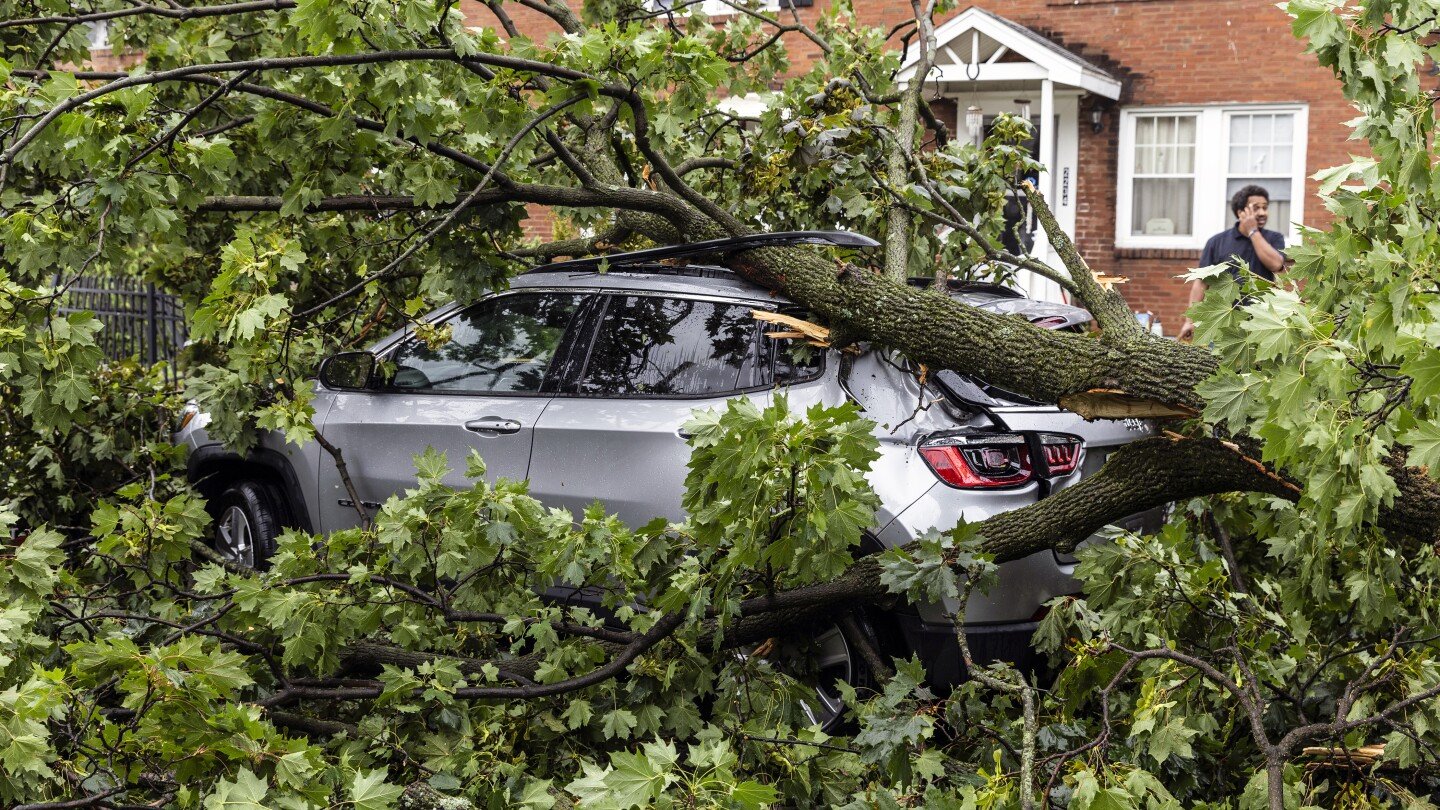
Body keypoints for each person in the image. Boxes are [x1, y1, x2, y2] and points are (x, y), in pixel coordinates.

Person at [1176, 185, 1286, 342]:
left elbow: (1276, 265)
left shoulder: (1275, 238)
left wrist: (1253, 232)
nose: (1262, 213)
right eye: (1256, 208)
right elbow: (1201, 283)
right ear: (1240, 213)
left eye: (1265, 208)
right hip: (1224, 324)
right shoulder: (1216, 242)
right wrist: (1190, 321)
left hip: (1262, 322)